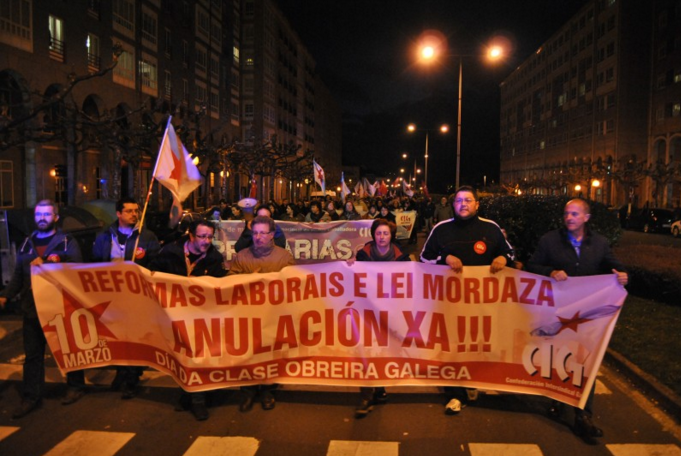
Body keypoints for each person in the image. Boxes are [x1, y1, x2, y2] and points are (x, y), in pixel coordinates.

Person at [526, 198, 628, 445]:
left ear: (586, 217)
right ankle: (558, 399)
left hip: (588, 317)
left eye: (574, 214)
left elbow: (614, 268)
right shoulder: (550, 240)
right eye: (566, 214)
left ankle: (583, 415)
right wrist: (550, 272)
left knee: (585, 362)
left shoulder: (601, 244)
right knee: (560, 359)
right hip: (558, 313)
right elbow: (532, 265)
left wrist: (622, 276)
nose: (569, 218)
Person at [420, 186, 513, 415]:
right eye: (459, 200)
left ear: (477, 204)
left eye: (468, 200)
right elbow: (424, 257)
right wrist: (445, 258)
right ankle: (454, 393)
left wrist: (502, 257)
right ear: (453, 205)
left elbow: (509, 254)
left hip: (483, 303)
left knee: (477, 344)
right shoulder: (441, 229)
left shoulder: (490, 229)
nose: (463, 204)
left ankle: (472, 380)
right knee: (452, 346)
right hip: (449, 302)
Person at [0, 200, 83, 418]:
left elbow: (77, 268)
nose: (42, 218)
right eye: (39, 215)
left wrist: (51, 260)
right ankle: (31, 396)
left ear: (56, 217)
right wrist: (5, 296)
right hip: (32, 308)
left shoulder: (66, 241)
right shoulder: (28, 243)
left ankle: (75, 386)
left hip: (59, 307)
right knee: (33, 355)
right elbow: (19, 273)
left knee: (68, 350)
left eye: (47, 214)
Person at [150, 219, 226, 421]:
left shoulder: (214, 258)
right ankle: (188, 394)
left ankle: (198, 400)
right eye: (202, 236)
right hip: (174, 316)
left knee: (198, 356)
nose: (206, 241)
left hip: (201, 317)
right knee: (182, 357)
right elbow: (152, 275)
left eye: (210, 237)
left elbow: (220, 287)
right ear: (190, 235)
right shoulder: (169, 253)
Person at [91, 197, 160, 399]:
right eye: (129, 211)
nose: (134, 214)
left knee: (135, 336)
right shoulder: (105, 236)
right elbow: (96, 261)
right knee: (117, 336)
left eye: (136, 211)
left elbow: (157, 263)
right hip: (113, 296)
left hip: (137, 296)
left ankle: (132, 377)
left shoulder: (146, 237)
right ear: (118, 214)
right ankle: (121, 372)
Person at [228, 216, 295, 412]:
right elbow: (230, 279)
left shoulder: (284, 257)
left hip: (273, 314)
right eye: (255, 233)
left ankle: (268, 390)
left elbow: (293, 284)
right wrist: (249, 279)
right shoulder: (242, 256)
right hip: (247, 314)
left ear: (272, 235)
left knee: (270, 354)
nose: (258, 237)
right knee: (248, 354)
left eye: (263, 233)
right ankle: (248, 391)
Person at [351, 219, 410, 418]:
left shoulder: (402, 257)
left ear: (391, 235)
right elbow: (354, 277)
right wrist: (351, 265)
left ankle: (380, 386)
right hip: (367, 309)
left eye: (385, 233)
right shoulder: (363, 254)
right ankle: (366, 394)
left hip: (391, 310)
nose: (381, 237)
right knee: (367, 349)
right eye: (378, 233)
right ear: (373, 235)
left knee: (385, 349)